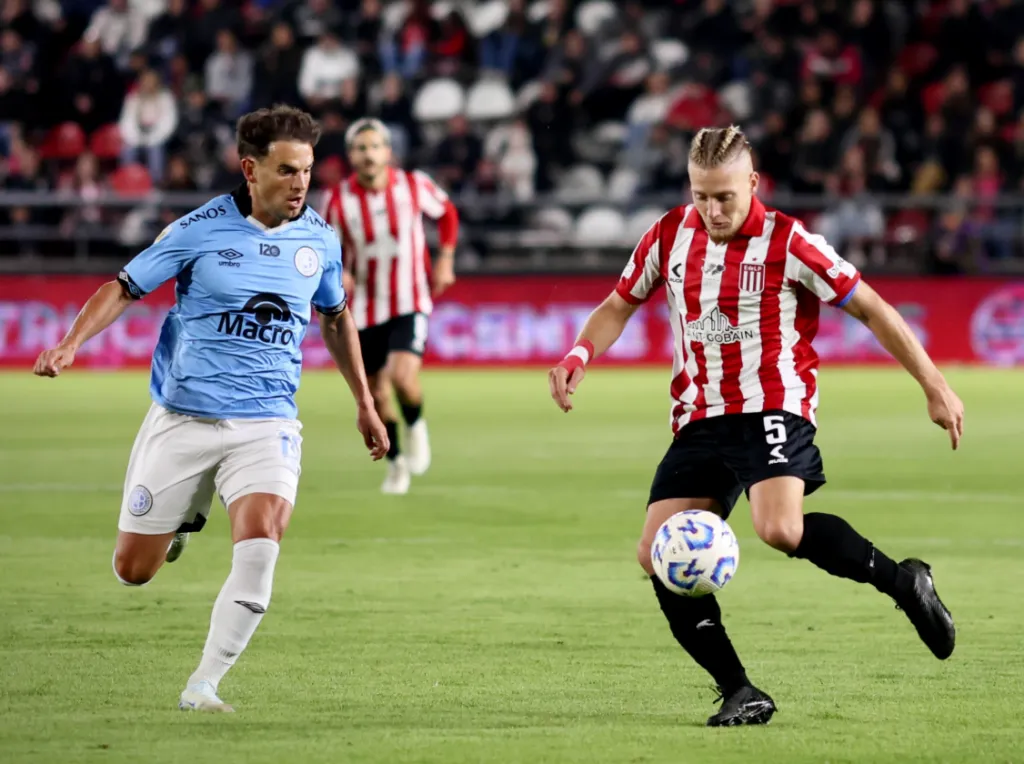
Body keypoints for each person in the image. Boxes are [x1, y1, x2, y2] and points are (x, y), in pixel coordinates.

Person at [547, 125, 963, 727]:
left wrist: (935, 385)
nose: (712, 211)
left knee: (779, 529)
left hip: (772, 406)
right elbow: (619, 303)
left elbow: (872, 306)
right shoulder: (667, 235)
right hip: (700, 417)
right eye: (700, 196)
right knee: (655, 554)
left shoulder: (791, 242)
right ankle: (740, 690)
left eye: (724, 197)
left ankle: (904, 584)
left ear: (752, 184)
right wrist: (577, 355)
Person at [33, 105, 389, 713]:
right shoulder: (197, 229)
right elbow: (124, 286)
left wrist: (365, 402)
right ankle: (180, 525)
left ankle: (204, 684)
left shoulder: (319, 241)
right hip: (184, 420)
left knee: (262, 541)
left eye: (305, 171)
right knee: (132, 571)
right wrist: (70, 344)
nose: (300, 183)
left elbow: (335, 317)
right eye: (285, 171)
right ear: (250, 169)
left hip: (268, 422)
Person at [320, 117, 459, 495]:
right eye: (360, 148)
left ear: (388, 151)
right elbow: (330, 250)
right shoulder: (337, 200)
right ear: (351, 156)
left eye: (374, 146)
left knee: (402, 378)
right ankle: (396, 463)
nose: (368, 154)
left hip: (409, 298)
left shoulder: (413, 185)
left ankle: (416, 426)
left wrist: (445, 259)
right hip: (363, 307)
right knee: (377, 393)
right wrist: (339, 275)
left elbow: (447, 214)